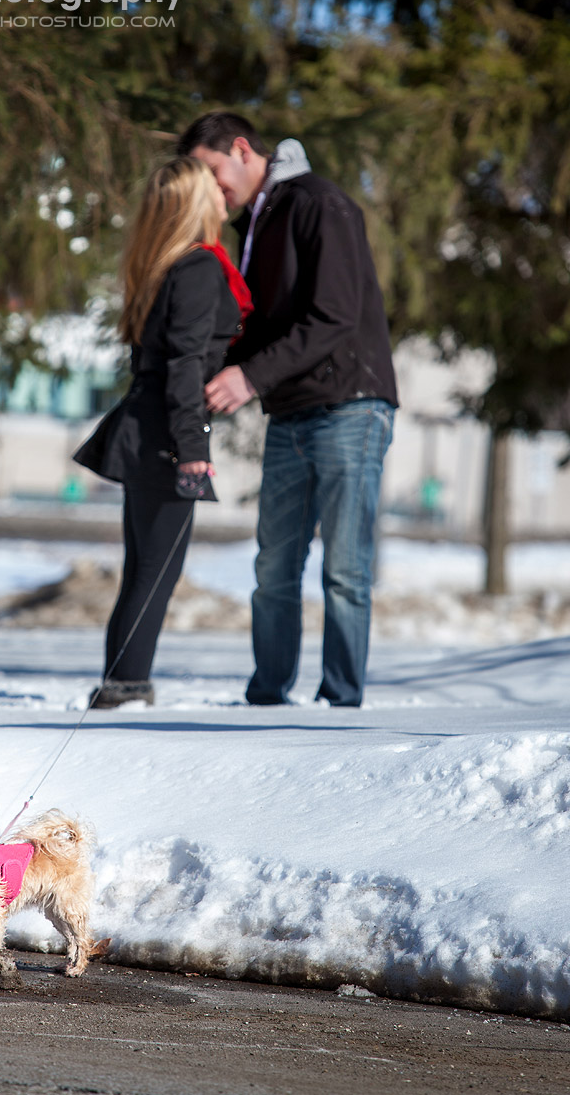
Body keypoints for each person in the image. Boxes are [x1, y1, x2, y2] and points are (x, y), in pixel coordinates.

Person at [177, 112, 398, 708]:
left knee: (345, 572)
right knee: (274, 568)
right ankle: (267, 695)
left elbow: (334, 315)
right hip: (292, 412)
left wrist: (247, 377)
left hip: (351, 405)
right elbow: (259, 327)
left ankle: (340, 701)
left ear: (242, 150)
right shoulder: (254, 223)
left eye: (213, 172)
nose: (212, 189)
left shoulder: (318, 204)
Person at [73, 156, 252, 709]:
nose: (226, 197)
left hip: (150, 427)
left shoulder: (165, 265)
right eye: (214, 191)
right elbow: (183, 363)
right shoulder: (197, 267)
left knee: (147, 567)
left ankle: (125, 680)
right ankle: (124, 685)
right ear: (196, 204)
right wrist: (192, 448)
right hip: (163, 436)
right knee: (154, 569)